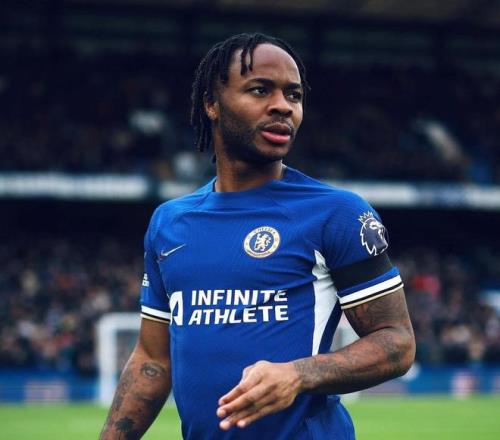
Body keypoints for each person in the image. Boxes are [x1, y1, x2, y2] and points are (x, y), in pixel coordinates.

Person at [100, 33, 415, 440]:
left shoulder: (336, 214)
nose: (283, 106)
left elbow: (396, 342)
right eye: (260, 90)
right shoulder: (170, 223)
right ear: (211, 104)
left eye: (294, 95)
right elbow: (153, 359)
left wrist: (298, 374)